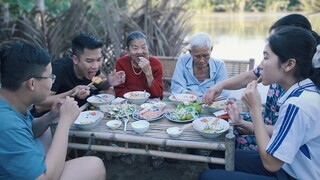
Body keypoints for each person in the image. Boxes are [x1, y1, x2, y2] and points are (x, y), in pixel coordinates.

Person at [200, 26, 320, 180]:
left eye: (266, 57)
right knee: (219, 157)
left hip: (292, 174)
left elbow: (271, 163)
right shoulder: (303, 91)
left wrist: (255, 108)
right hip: (288, 165)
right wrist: (242, 122)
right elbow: (282, 133)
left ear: (289, 64)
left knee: (206, 177)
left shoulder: (298, 104)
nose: (261, 66)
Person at [0, 41, 106, 179]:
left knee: (46, 132)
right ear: (32, 83)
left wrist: (51, 115)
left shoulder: (12, 100)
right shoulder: (7, 124)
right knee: (94, 166)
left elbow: (28, 130)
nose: (52, 81)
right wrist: (65, 121)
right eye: (50, 77)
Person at [32, 33, 126, 117]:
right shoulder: (58, 70)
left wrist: (109, 82)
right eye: (89, 61)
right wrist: (72, 92)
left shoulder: (92, 69)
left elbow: (98, 82)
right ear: (75, 59)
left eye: (99, 60)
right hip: (49, 121)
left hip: (81, 114)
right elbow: (40, 104)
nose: (96, 66)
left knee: (109, 90)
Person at [170, 32, 229, 99]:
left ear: (211, 49)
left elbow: (224, 92)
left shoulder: (219, 65)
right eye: (197, 56)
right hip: (187, 103)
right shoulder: (183, 61)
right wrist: (186, 93)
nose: (201, 60)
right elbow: (176, 87)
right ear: (190, 52)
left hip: (212, 105)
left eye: (205, 55)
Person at [114, 31, 163, 99]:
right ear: (127, 50)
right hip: (128, 103)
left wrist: (149, 74)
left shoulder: (156, 63)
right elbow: (119, 91)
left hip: (149, 104)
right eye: (135, 48)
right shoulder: (121, 63)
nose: (140, 52)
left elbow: (158, 94)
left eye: (143, 47)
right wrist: (135, 98)